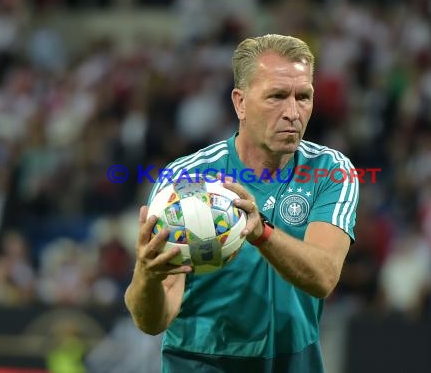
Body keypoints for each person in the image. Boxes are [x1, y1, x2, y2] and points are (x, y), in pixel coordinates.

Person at [124, 34, 359, 373]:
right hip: (200, 364)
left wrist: (260, 231)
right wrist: (147, 275)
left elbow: (323, 276)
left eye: (303, 97)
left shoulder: (331, 172)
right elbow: (153, 320)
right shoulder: (186, 181)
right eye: (277, 96)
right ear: (241, 102)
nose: (292, 112)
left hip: (293, 364)